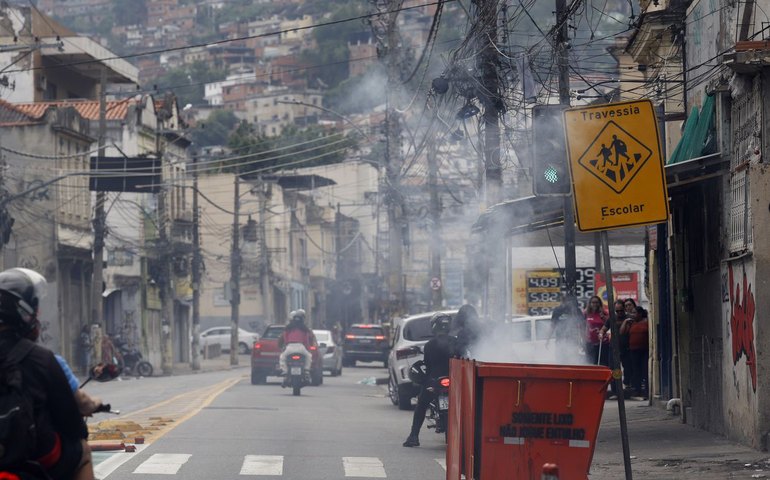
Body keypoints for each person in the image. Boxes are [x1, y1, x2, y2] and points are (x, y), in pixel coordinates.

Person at [0, 268, 93, 480]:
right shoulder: (41, 358)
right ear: (25, 313)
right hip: (30, 457)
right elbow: (72, 424)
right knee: (83, 450)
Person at [403, 312, 457, 448]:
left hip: (434, 381)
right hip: (456, 381)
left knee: (421, 405)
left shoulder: (429, 345)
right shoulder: (456, 342)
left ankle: (414, 436)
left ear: (434, 327)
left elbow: (427, 364)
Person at [278, 309, 315, 386]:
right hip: (301, 347)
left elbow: (285, 338)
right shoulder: (304, 329)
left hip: (290, 347)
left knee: (282, 357)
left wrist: (285, 346)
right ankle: (306, 371)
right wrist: (308, 349)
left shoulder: (288, 328)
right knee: (309, 357)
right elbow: (306, 341)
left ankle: (285, 371)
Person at [546, 295, 584, 363]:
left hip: (573, 339)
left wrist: (583, 340)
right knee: (560, 359)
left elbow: (582, 325)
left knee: (573, 358)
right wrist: (548, 339)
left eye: (567, 301)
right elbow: (552, 325)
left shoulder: (576, 310)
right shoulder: (557, 310)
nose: (566, 302)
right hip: (560, 339)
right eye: (563, 300)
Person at [623, 306, 650, 399]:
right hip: (633, 350)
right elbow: (622, 332)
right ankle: (637, 391)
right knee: (636, 371)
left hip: (644, 350)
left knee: (645, 371)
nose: (633, 315)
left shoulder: (646, 322)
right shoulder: (631, 323)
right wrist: (625, 322)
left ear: (640, 314)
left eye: (635, 313)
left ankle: (647, 391)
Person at [584, 296, 609, 366]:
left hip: (603, 342)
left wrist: (603, 317)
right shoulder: (586, 313)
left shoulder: (604, 313)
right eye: (593, 302)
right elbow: (582, 325)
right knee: (591, 363)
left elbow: (609, 323)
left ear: (600, 303)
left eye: (596, 302)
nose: (595, 304)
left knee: (603, 363)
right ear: (590, 303)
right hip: (590, 342)